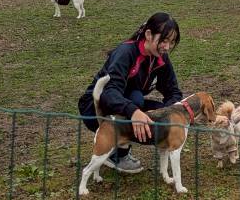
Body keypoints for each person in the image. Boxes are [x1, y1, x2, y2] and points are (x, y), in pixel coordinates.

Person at [77, 12, 183, 175]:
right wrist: (133, 112)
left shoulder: (161, 59)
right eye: (164, 40)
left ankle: (123, 144)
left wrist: (172, 114)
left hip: (125, 101)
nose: (167, 47)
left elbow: (173, 91)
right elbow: (110, 92)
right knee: (136, 99)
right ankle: (117, 153)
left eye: (172, 42)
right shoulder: (126, 52)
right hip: (94, 106)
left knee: (160, 109)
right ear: (148, 34)